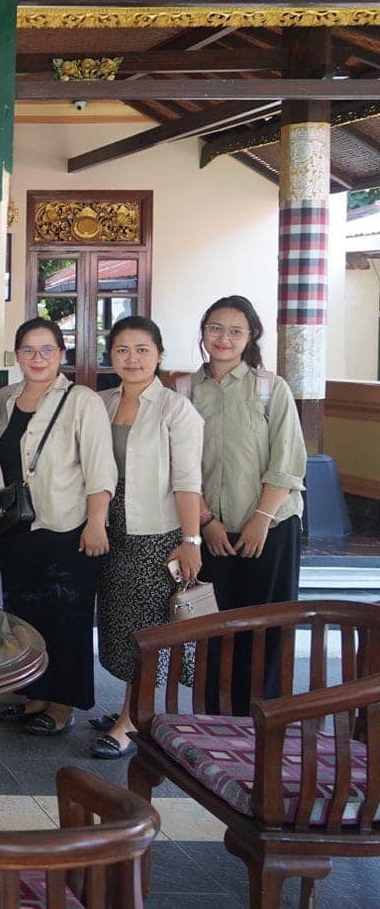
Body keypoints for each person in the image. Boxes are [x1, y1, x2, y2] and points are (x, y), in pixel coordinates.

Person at [0, 318, 117, 737]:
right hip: (17, 527)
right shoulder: (6, 399)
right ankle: (34, 695)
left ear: (62, 354)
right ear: (17, 356)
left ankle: (63, 703)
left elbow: (100, 467)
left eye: (47, 350)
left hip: (67, 526)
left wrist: (96, 522)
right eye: (28, 350)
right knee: (25, 614)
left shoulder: (81, 400)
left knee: (67, 617)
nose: (37, 358)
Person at [184, 295, 307, 716]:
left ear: (251, 336)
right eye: (215, 328)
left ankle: (262, 722)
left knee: (266, 629)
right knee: (213, 628)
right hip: (210, 531)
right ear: (203, 330)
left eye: (236, 330)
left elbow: (287, 463)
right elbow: (177, 465)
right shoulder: (183, 390)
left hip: (270, 529)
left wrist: (260, 520)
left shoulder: (270, 388)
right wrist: (206, 521)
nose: (224, 338)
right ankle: (214, 719)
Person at [91, 315, 205, 760]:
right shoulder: (101, 402)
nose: (132, 359)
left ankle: (132, 720)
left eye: (142, 350)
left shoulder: (176, 409)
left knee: (146, 628)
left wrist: (190, 541)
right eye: (122, 350)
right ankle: (128, 706)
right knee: (118, 622)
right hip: (108, 526)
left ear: (159, 355)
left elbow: (187, 481)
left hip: (156, 532)